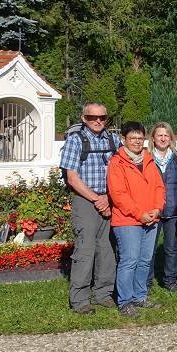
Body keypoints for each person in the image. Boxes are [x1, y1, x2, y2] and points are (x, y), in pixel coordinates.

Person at [62, 102, 120, 314]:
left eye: (102, 117)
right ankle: (79, 299)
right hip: (85, 199)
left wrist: (108, 197)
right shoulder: (75, 141)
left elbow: (121, 171)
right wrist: (97, 199)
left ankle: (103, 293)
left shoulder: (114, 140)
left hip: (109, 198)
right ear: (84, 118)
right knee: (85, 250)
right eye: (92, 117)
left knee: (106, 249)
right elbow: (72, 178)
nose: (98, 121)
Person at [107, 121, 165, 317]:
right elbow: (119, 195)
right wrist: (139, 214)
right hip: (128, 221)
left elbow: (159, 187)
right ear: (123, 139)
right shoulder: (117, 163)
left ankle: (140, 296)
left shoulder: (148, 159)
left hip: (151, 218)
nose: (137, 141)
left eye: (140, 138)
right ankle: (125, 301)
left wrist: (157, 209)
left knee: (144, 260)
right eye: (133, 138)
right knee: (129, 260)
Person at [148, 122, 177, 291]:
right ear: (153, 138)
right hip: (151, 210)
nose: (163, 138)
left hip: (173, 209)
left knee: (171, 248)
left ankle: (170, 280)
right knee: (149, 249)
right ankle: (146, 282)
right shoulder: (146, 158)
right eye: (159, 135)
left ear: (170, 138)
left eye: (166, 135)